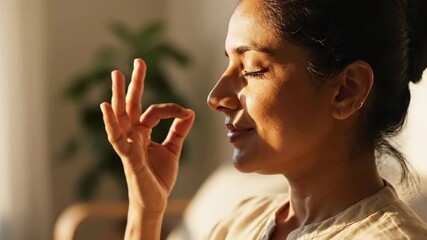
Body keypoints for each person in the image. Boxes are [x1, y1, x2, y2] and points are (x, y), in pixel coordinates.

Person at [100, 0, 427, 239]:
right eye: (228, 64)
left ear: (346, 89)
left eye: (253, 69)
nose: (216, 97)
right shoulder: (242, 221)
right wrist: (146, 211)